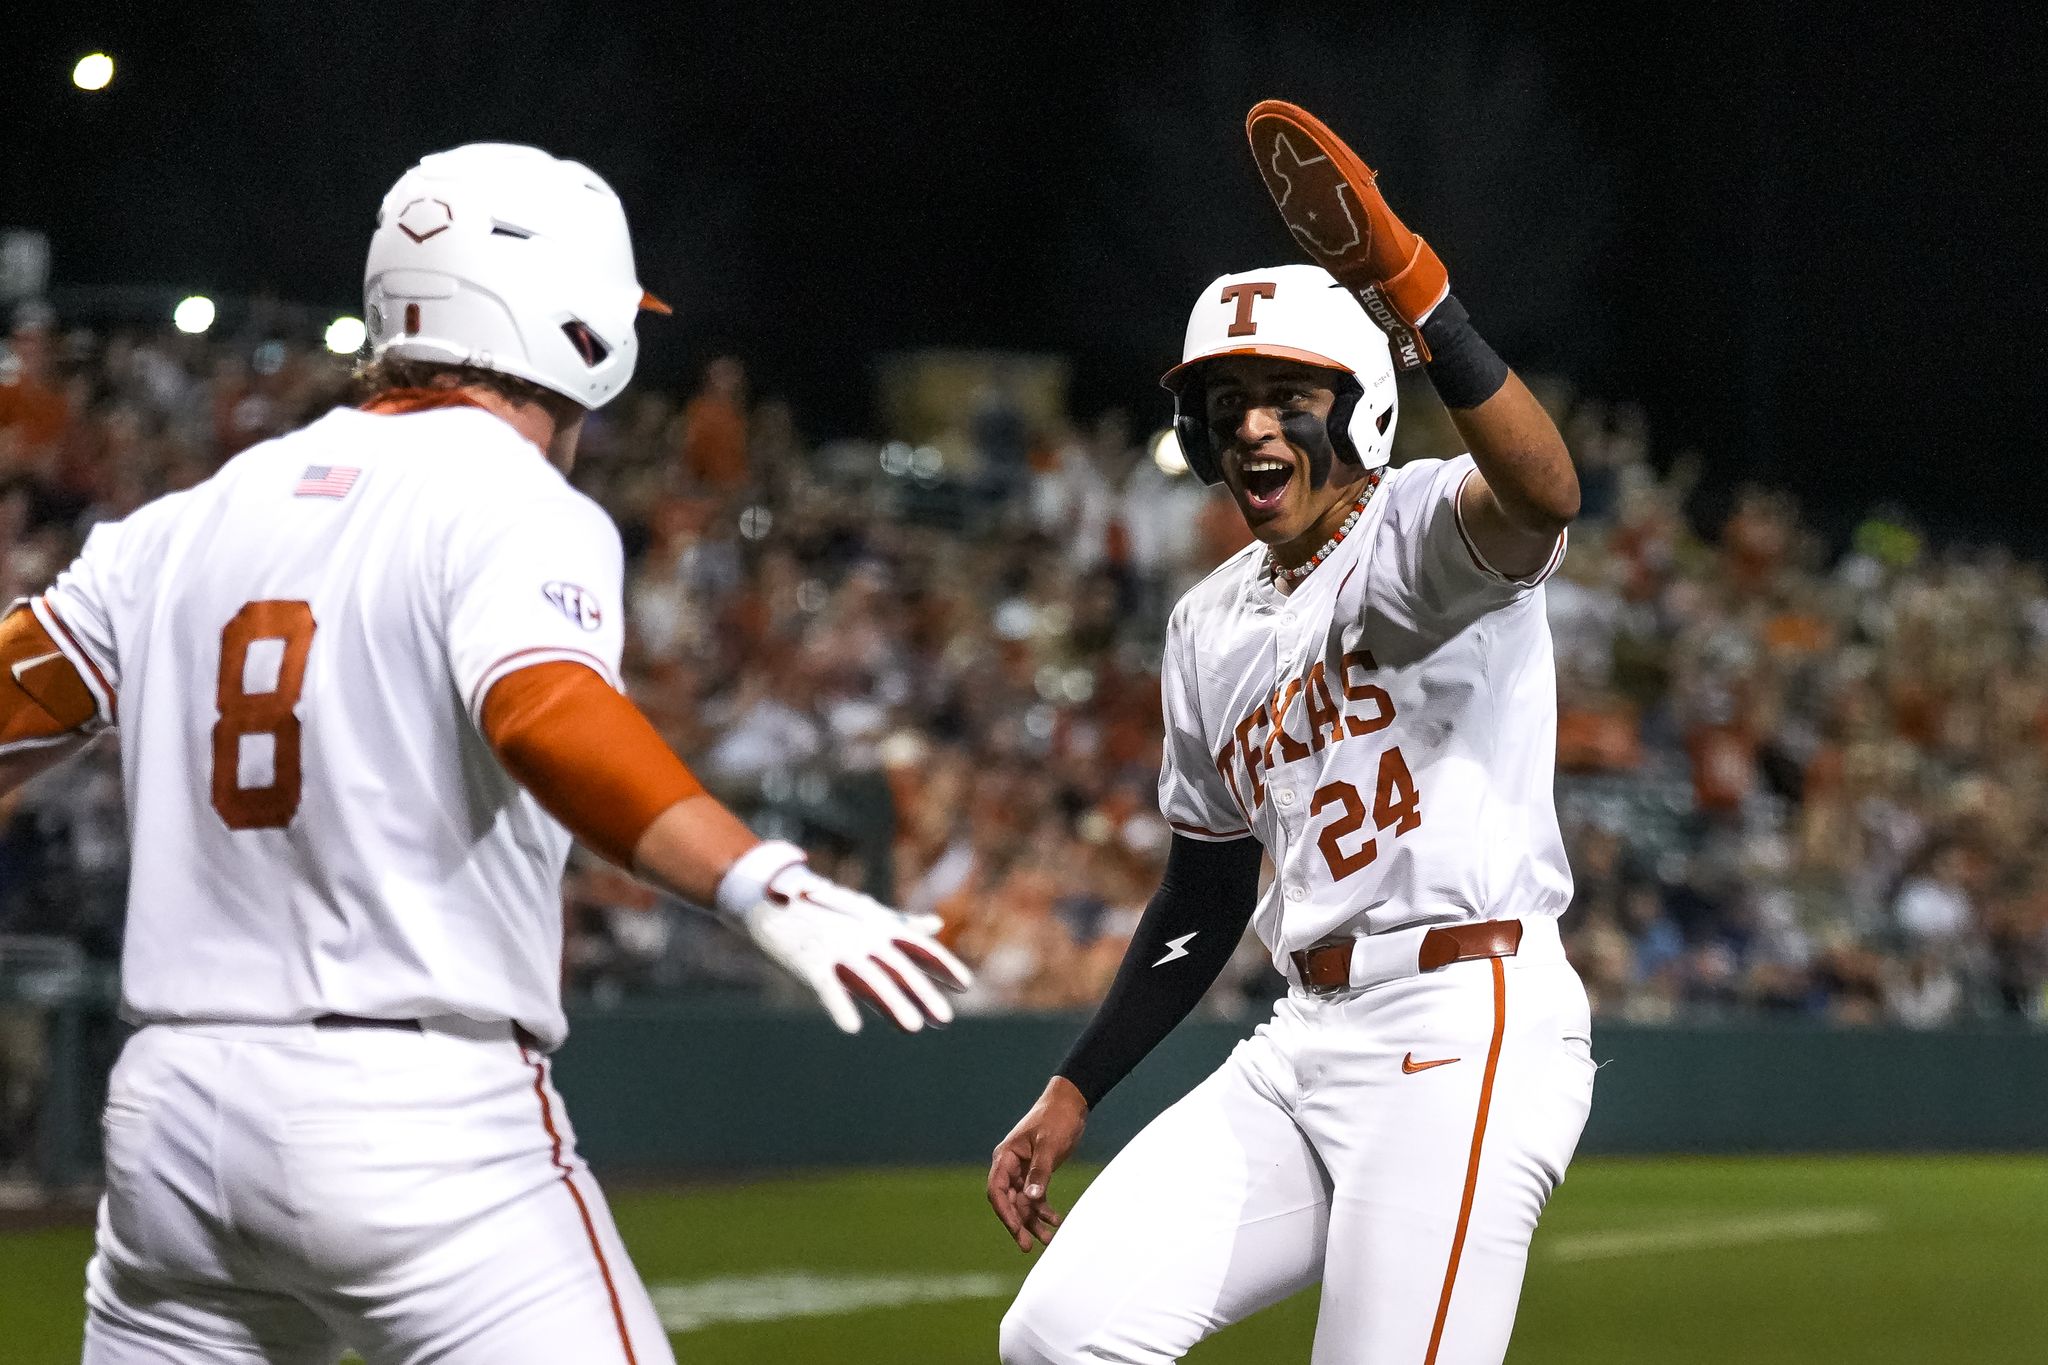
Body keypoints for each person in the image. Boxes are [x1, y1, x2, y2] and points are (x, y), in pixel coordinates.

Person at [0, 142, 969, 1365]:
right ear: (574, 327)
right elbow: (544, 713)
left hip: (171, 1126)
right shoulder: (513, 502)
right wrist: (755, 880)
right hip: (416, 1119)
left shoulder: (178, 524)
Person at [988, 103, 1590, 1365]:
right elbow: (1205, 893)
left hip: (1460, 1017)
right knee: (1060, 1333)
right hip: (1303, 1036)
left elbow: (1542, 490)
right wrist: (1076, 1082)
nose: (1251, 425)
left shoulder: (1418, 528)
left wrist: (1420, 294)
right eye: (1224, 404)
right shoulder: (1206, 622)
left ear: (1356, 408)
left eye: (1281, 396)